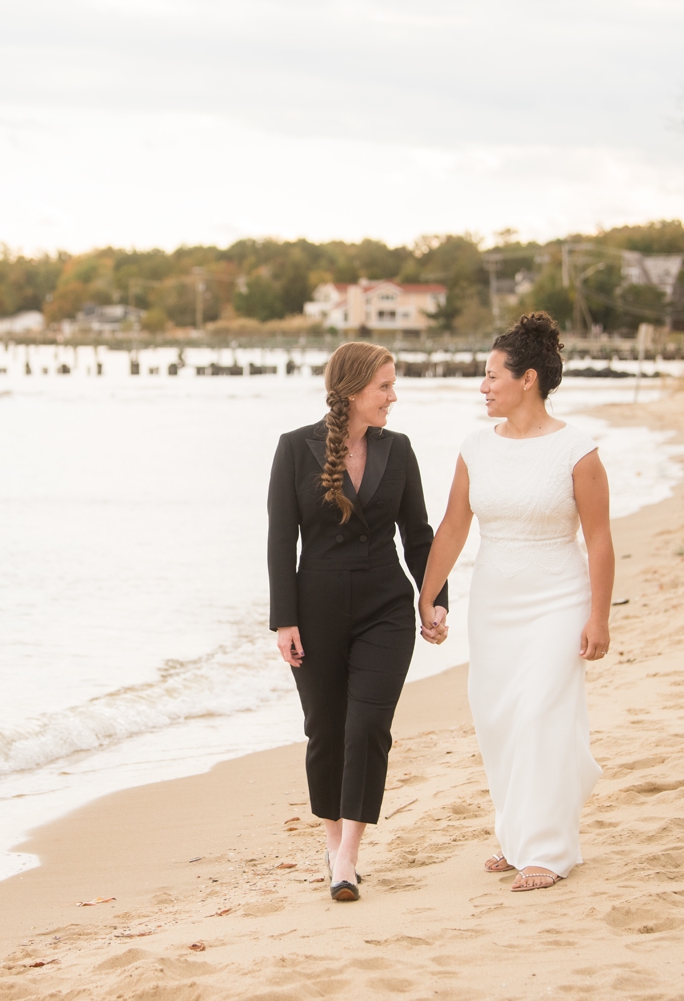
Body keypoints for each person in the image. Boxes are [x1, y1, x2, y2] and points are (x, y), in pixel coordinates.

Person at [418, 312, 613, 892]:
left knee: (541, 716)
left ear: (527, 379)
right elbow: (453, 528)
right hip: (495, 601)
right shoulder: (475, 448)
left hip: (558, 597)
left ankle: (549, 851)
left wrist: (598, 617)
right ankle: (517, 834)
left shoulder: (578, 451)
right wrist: (426, 596)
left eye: (490, 375)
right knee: (498, 718)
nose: (482, 386)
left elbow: (599, 539)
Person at [267, 341, 448, 902]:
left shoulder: (399, 449)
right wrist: (284, 619)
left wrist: (435, 599)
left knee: (368, 728)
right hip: (315, 609)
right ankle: (331, 841)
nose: (394, 397)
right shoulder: (294, 448)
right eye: (385, 387)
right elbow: (280, 539)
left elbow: (418, 535)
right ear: (352, 391)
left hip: (385, 609)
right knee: (326, 730)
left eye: (393, 386)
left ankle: (347, 857)